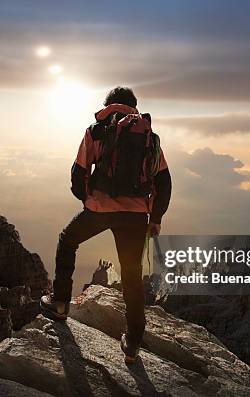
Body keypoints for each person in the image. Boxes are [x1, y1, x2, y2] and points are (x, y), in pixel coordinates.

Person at [40, 86, 172, 363]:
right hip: (136, 215)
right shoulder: (150, 136)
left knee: (68, 240)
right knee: (132, 273)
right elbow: (163, 182)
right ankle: (133, 342)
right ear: (134, 107)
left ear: (109, 104)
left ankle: (61, 303)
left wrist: (88, 199)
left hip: (100, 208)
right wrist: (156, 219)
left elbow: (79, 172)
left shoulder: (97, 130)